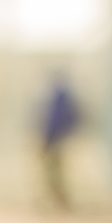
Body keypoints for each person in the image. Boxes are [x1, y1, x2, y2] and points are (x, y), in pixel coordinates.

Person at [36, 69, 82, 212]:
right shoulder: (64, 96)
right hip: (58, 139)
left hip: (54, 140)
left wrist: (48, 139)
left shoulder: (58, 97)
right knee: (54, 172)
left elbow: (54, 121)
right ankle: (59, 202)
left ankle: (60, 202)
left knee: (53, 172)